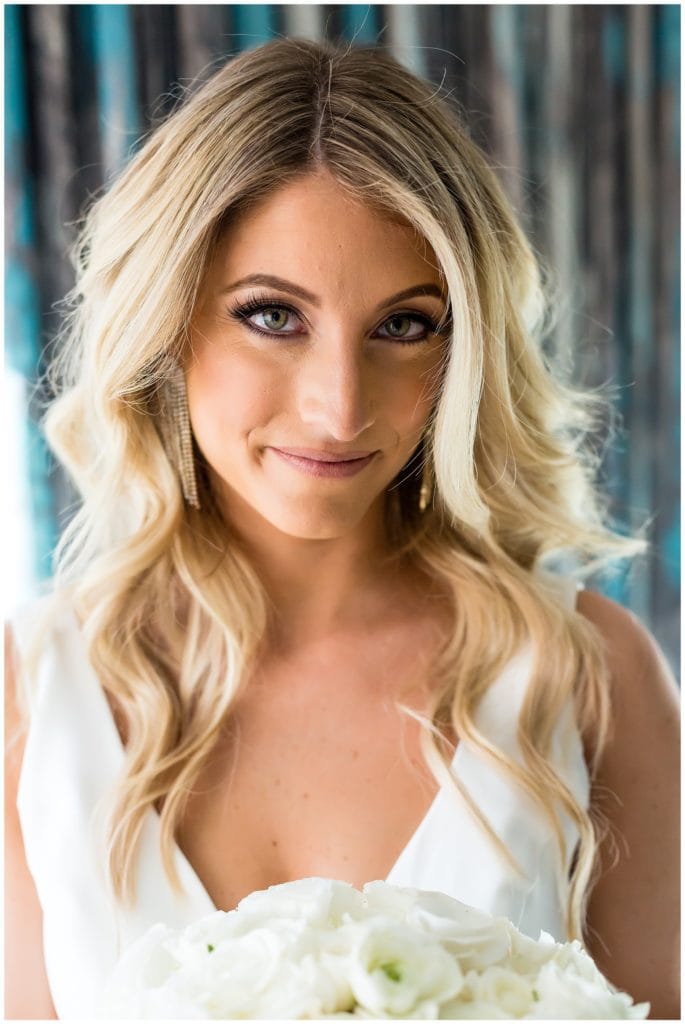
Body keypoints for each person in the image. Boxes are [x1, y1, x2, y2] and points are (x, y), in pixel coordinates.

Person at [5, 38, 679, 1020]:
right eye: (272, 315)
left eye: (404, 325)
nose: (339, 407)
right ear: (168, 320)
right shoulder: (31, 698)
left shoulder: (588, 678)